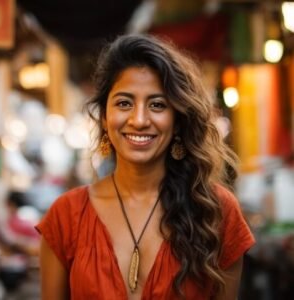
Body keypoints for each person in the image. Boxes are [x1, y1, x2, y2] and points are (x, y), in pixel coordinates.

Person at [36, 34, 255, 300]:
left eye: (157, 105)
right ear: (105, 117)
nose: (139, 120)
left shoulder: (217, 212)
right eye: (124, 103)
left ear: (177, 120)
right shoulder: (66, 216)